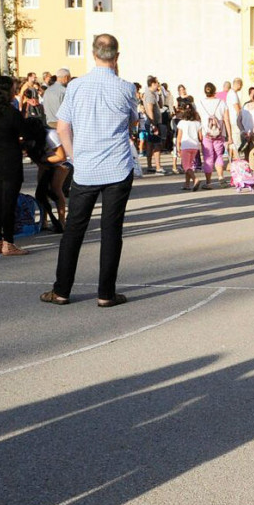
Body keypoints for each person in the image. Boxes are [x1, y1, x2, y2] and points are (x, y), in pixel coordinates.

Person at [40, 34, 138, 308]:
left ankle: (61, 290)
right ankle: (106, 293)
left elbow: (62, 127)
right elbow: (133, 122)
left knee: (74, 230)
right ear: (117, 57)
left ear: (93, 55)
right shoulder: (126, 88)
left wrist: (74, 157)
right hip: (117, 166)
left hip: (85, 167)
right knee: (111, 230)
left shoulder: (76, 86)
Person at [0, 76, 29, 255]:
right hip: (10, 160)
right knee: (9, 203)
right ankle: (9, 242)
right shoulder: (12, 113)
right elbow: (25, 134)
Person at [24, 117, 69, 233]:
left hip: (62, 162)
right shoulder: (31, 139)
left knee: (55, 189)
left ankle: (61, 221)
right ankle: (44, 221)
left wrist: (44, 159)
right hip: (45, 162)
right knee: (41, 192)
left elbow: (61, 156)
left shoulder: (50, 135)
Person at [195, 82, 230, 188]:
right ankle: (220, 177)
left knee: (208, 157)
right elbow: (226, 120)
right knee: (219, 155)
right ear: (215, 91)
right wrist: (230, 136)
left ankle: (209, 182)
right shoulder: (222, 102)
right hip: (219, 133)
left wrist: (199, 133)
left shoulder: (200, 103)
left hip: (206, 133)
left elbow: (197, 119)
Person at [174, 105, 203, 191]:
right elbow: (200, 137)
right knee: (189, 165)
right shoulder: (198, 123)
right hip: (195, 146)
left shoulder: (181, 123)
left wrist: (178, 147)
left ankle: (195, 179)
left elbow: (179, 137)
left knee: (185, 166)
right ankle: (186, 184)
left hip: (185, 145)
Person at [142, 76, 166, 174]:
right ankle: (158, 167)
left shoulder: (152, 94)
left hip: (151, 123)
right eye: (157, 83)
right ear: (152, 84)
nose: (158, 85)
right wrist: (154, 124)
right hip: (153, 123)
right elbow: (150, 109)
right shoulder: (150, 95)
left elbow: (160, 105)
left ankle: (150, 166)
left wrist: (160, 94)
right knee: (157, 145)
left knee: (150, 144)